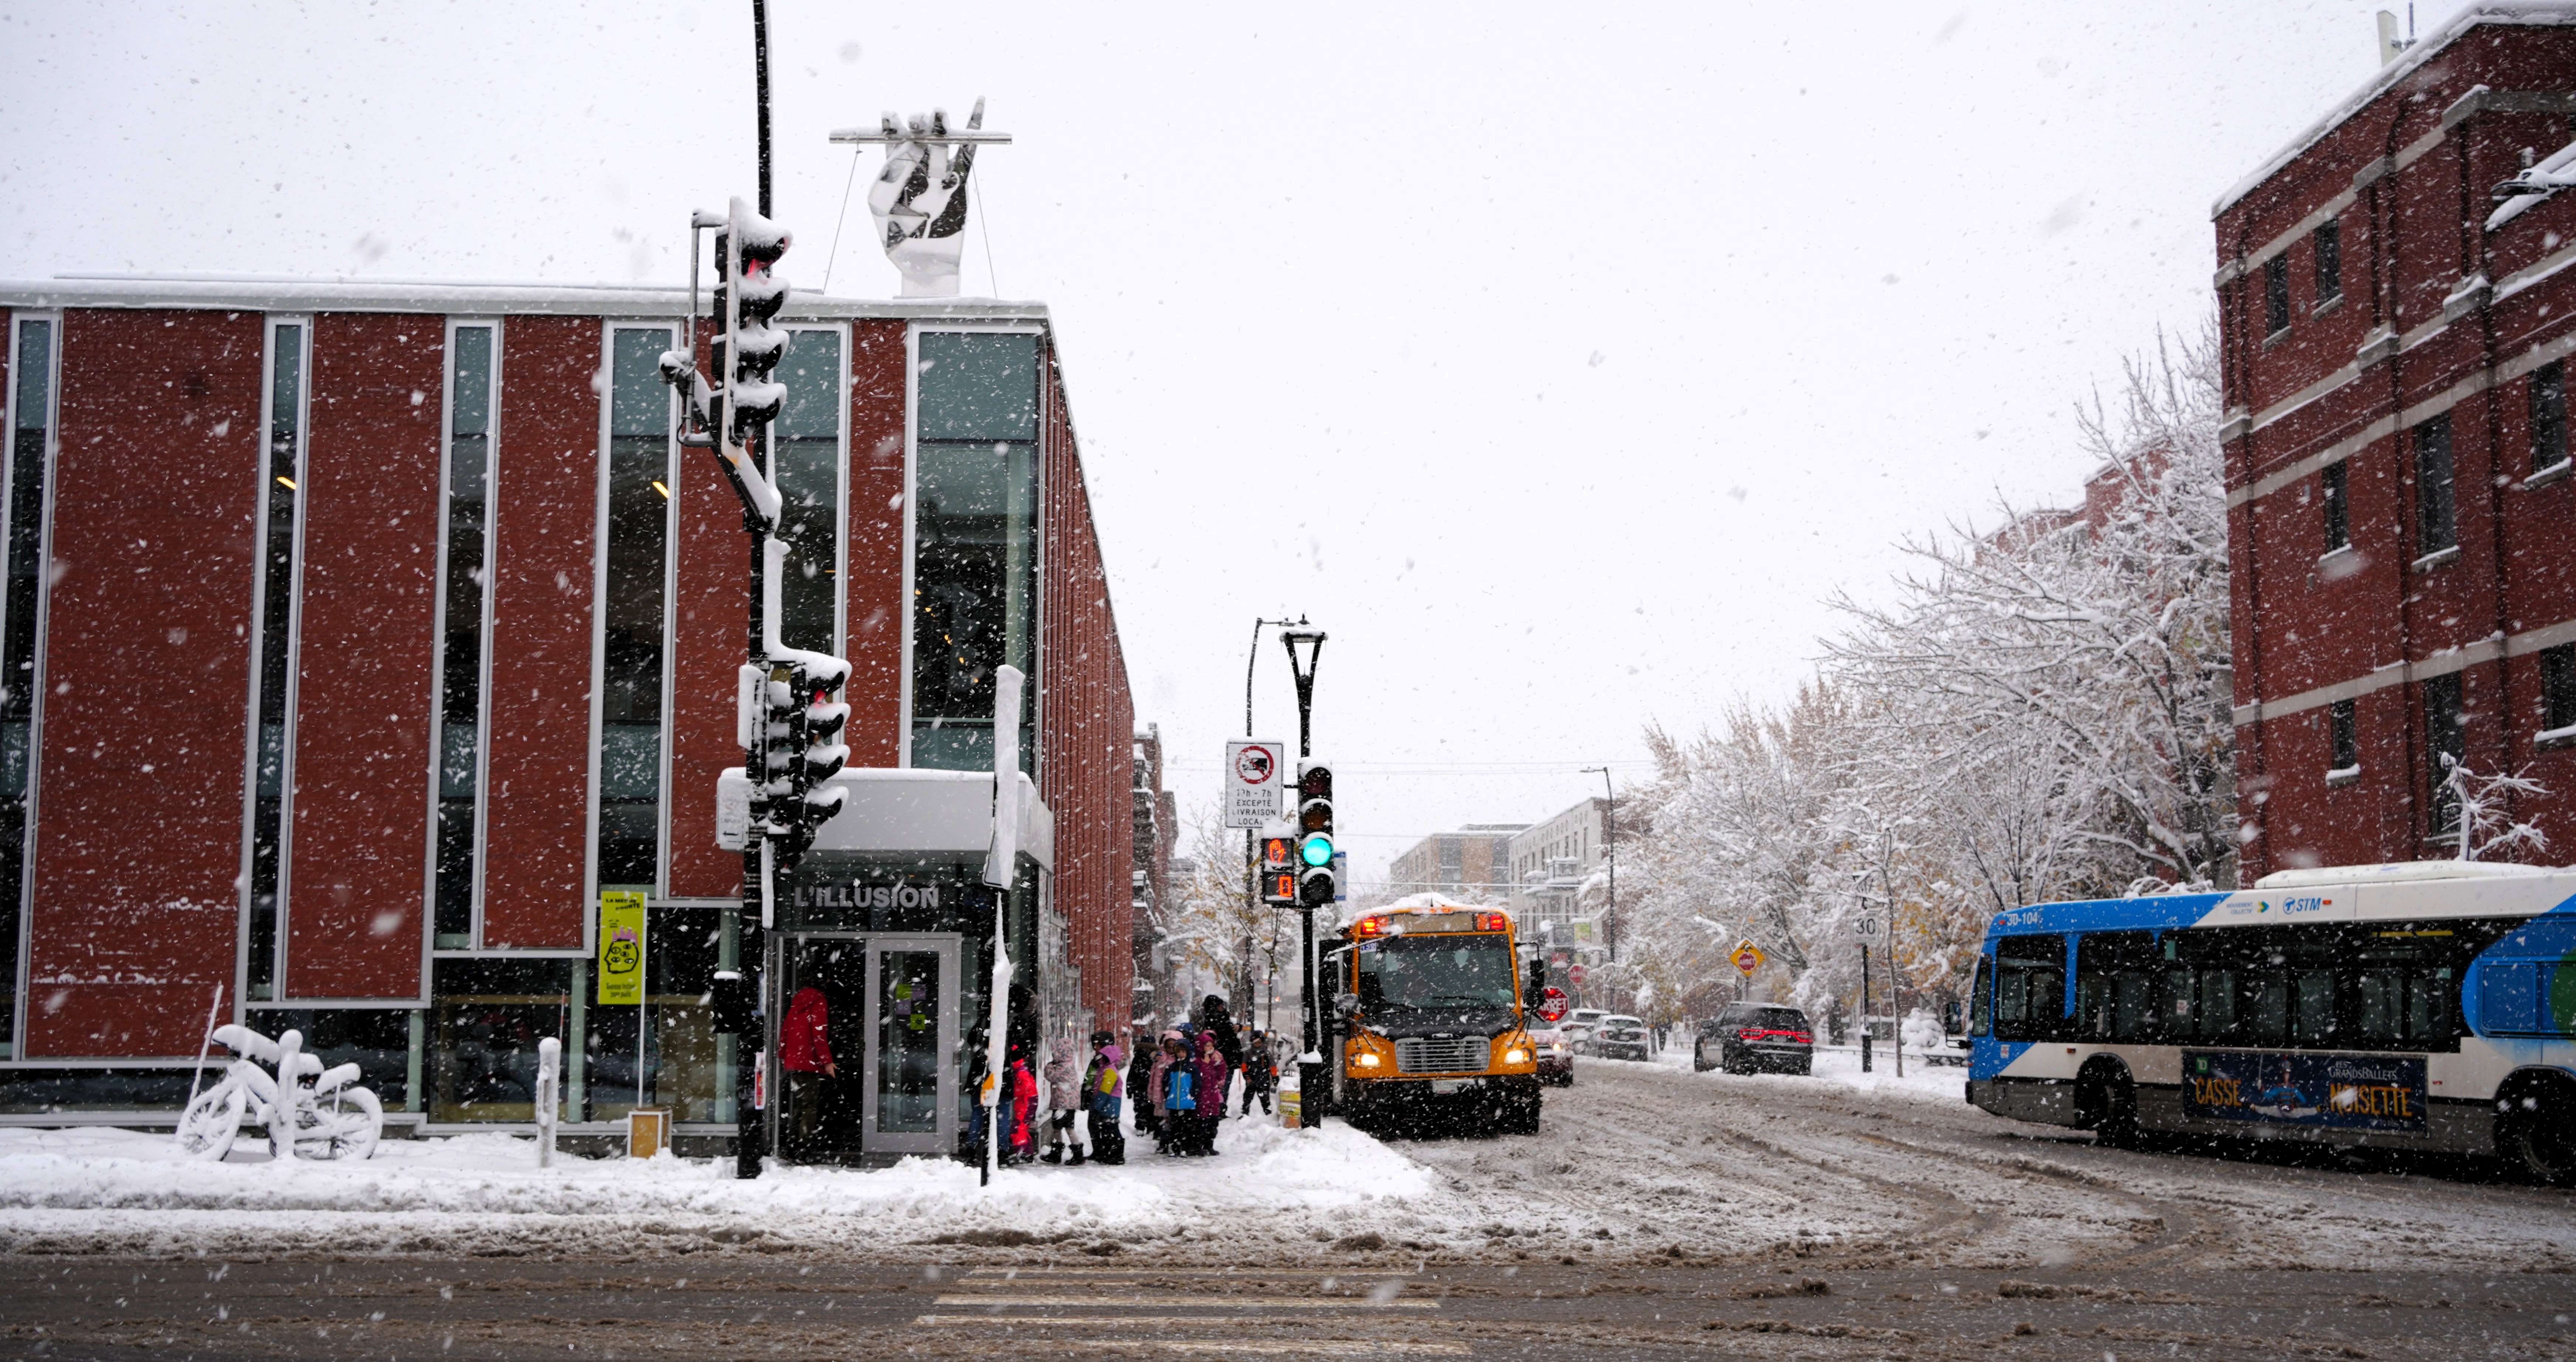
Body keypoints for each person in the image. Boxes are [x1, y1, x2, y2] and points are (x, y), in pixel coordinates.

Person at [780, 985, 835, 1155]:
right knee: (809, 1107)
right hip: (809, 1062)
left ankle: (792, 1143)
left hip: (796, 1062)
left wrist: (784, 1055)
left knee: (800, 1104)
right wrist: (827, 1062)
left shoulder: (798, 1003)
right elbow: (819, 1035)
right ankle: (803, 1147)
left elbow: (785, 1031)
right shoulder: (819, 1002)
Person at [1082, 1030, 1126, 1166]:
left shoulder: (1109, 1070)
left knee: (1110, 1129)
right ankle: (1105, 1153)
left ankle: (1115, 1154)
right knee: (1104, 1129)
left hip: (1108, 1105)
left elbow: (1105, 1091)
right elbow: (1093, 1081)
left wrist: (1097, 1105)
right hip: (1104, 1104)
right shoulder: (1102, 1067)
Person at [1041, 1038, 1084, 1165]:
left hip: (1062, 1104)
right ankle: (1076, 1154)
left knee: (1059, 1128)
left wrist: (1050, 1065)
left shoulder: (1063, 1067)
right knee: (1066, 1128)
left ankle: (1059, 1153)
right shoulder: (1069, 1065)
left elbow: (1050, 1075)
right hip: (1067, 1104)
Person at [1190, 1029, 1231, 1156]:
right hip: (1202, 1098)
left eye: (1212, 1045)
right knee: (1201, 1124)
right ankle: (1198, 1146)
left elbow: (1221, 1076)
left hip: (1214, 1097)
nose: (1211, 1048)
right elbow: (1199, 1078)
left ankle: (1210, 1145)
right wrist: (1205, 1065)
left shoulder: (1213, 1061)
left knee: (1213, 1123)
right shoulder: (1196, 1062)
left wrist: (1221, 1063)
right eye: (1208, 1045)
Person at [1154, 1032, 1194, 1155]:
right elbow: (1158, 1081)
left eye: (1174, 1047)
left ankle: (1181, 1145)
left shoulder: (1189, 1065)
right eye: (1169, 1047)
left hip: (1183, 1100)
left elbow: (1195, 1083)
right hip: (1169, 1099)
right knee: (1167, 1123)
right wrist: (1160, 1096)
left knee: (1181, 1124)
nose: (1172, 1050)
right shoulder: (1163, 1062)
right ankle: (1165, 1144)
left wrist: (1192, 1095)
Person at [1005, 1046, 1040, 1165]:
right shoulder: (1020, 1069)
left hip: (1026, 1104)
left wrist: (1014, 1092)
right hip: (1027, 1104)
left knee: (1017, 1129)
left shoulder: (1020, 1071)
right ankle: (1028, 1153)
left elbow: (1027, 1088)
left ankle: (1022, 1153)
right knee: (1022, 1129)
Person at [1128, 1030, 1162, 1145]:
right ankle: (1143, 1126)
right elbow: (1132, 1074)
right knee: (1143, 1108)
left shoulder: (1153, 1059)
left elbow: (1132, 1075)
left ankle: (1147, 1127)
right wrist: (1130, 1087)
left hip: (1147, 1088)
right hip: (1143, 1088)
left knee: (1147, 1108)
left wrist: (1130, 1087)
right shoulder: (1141, 1059)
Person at [1239, 1029, 1277, 1116]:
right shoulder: (1248, 1053)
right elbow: (1244, 1066)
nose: (1257, 1044)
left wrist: (1275, 1078)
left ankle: (1269, 1115)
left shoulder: (1266, 1054)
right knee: (1247, 1098)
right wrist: (1247, 1077)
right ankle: (1245, 1114)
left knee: (1265, 1099)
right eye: (1255, 1043)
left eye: (1259, 1042)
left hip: (1264, 1080)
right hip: (1251, 1080)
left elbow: (1273, 1066)